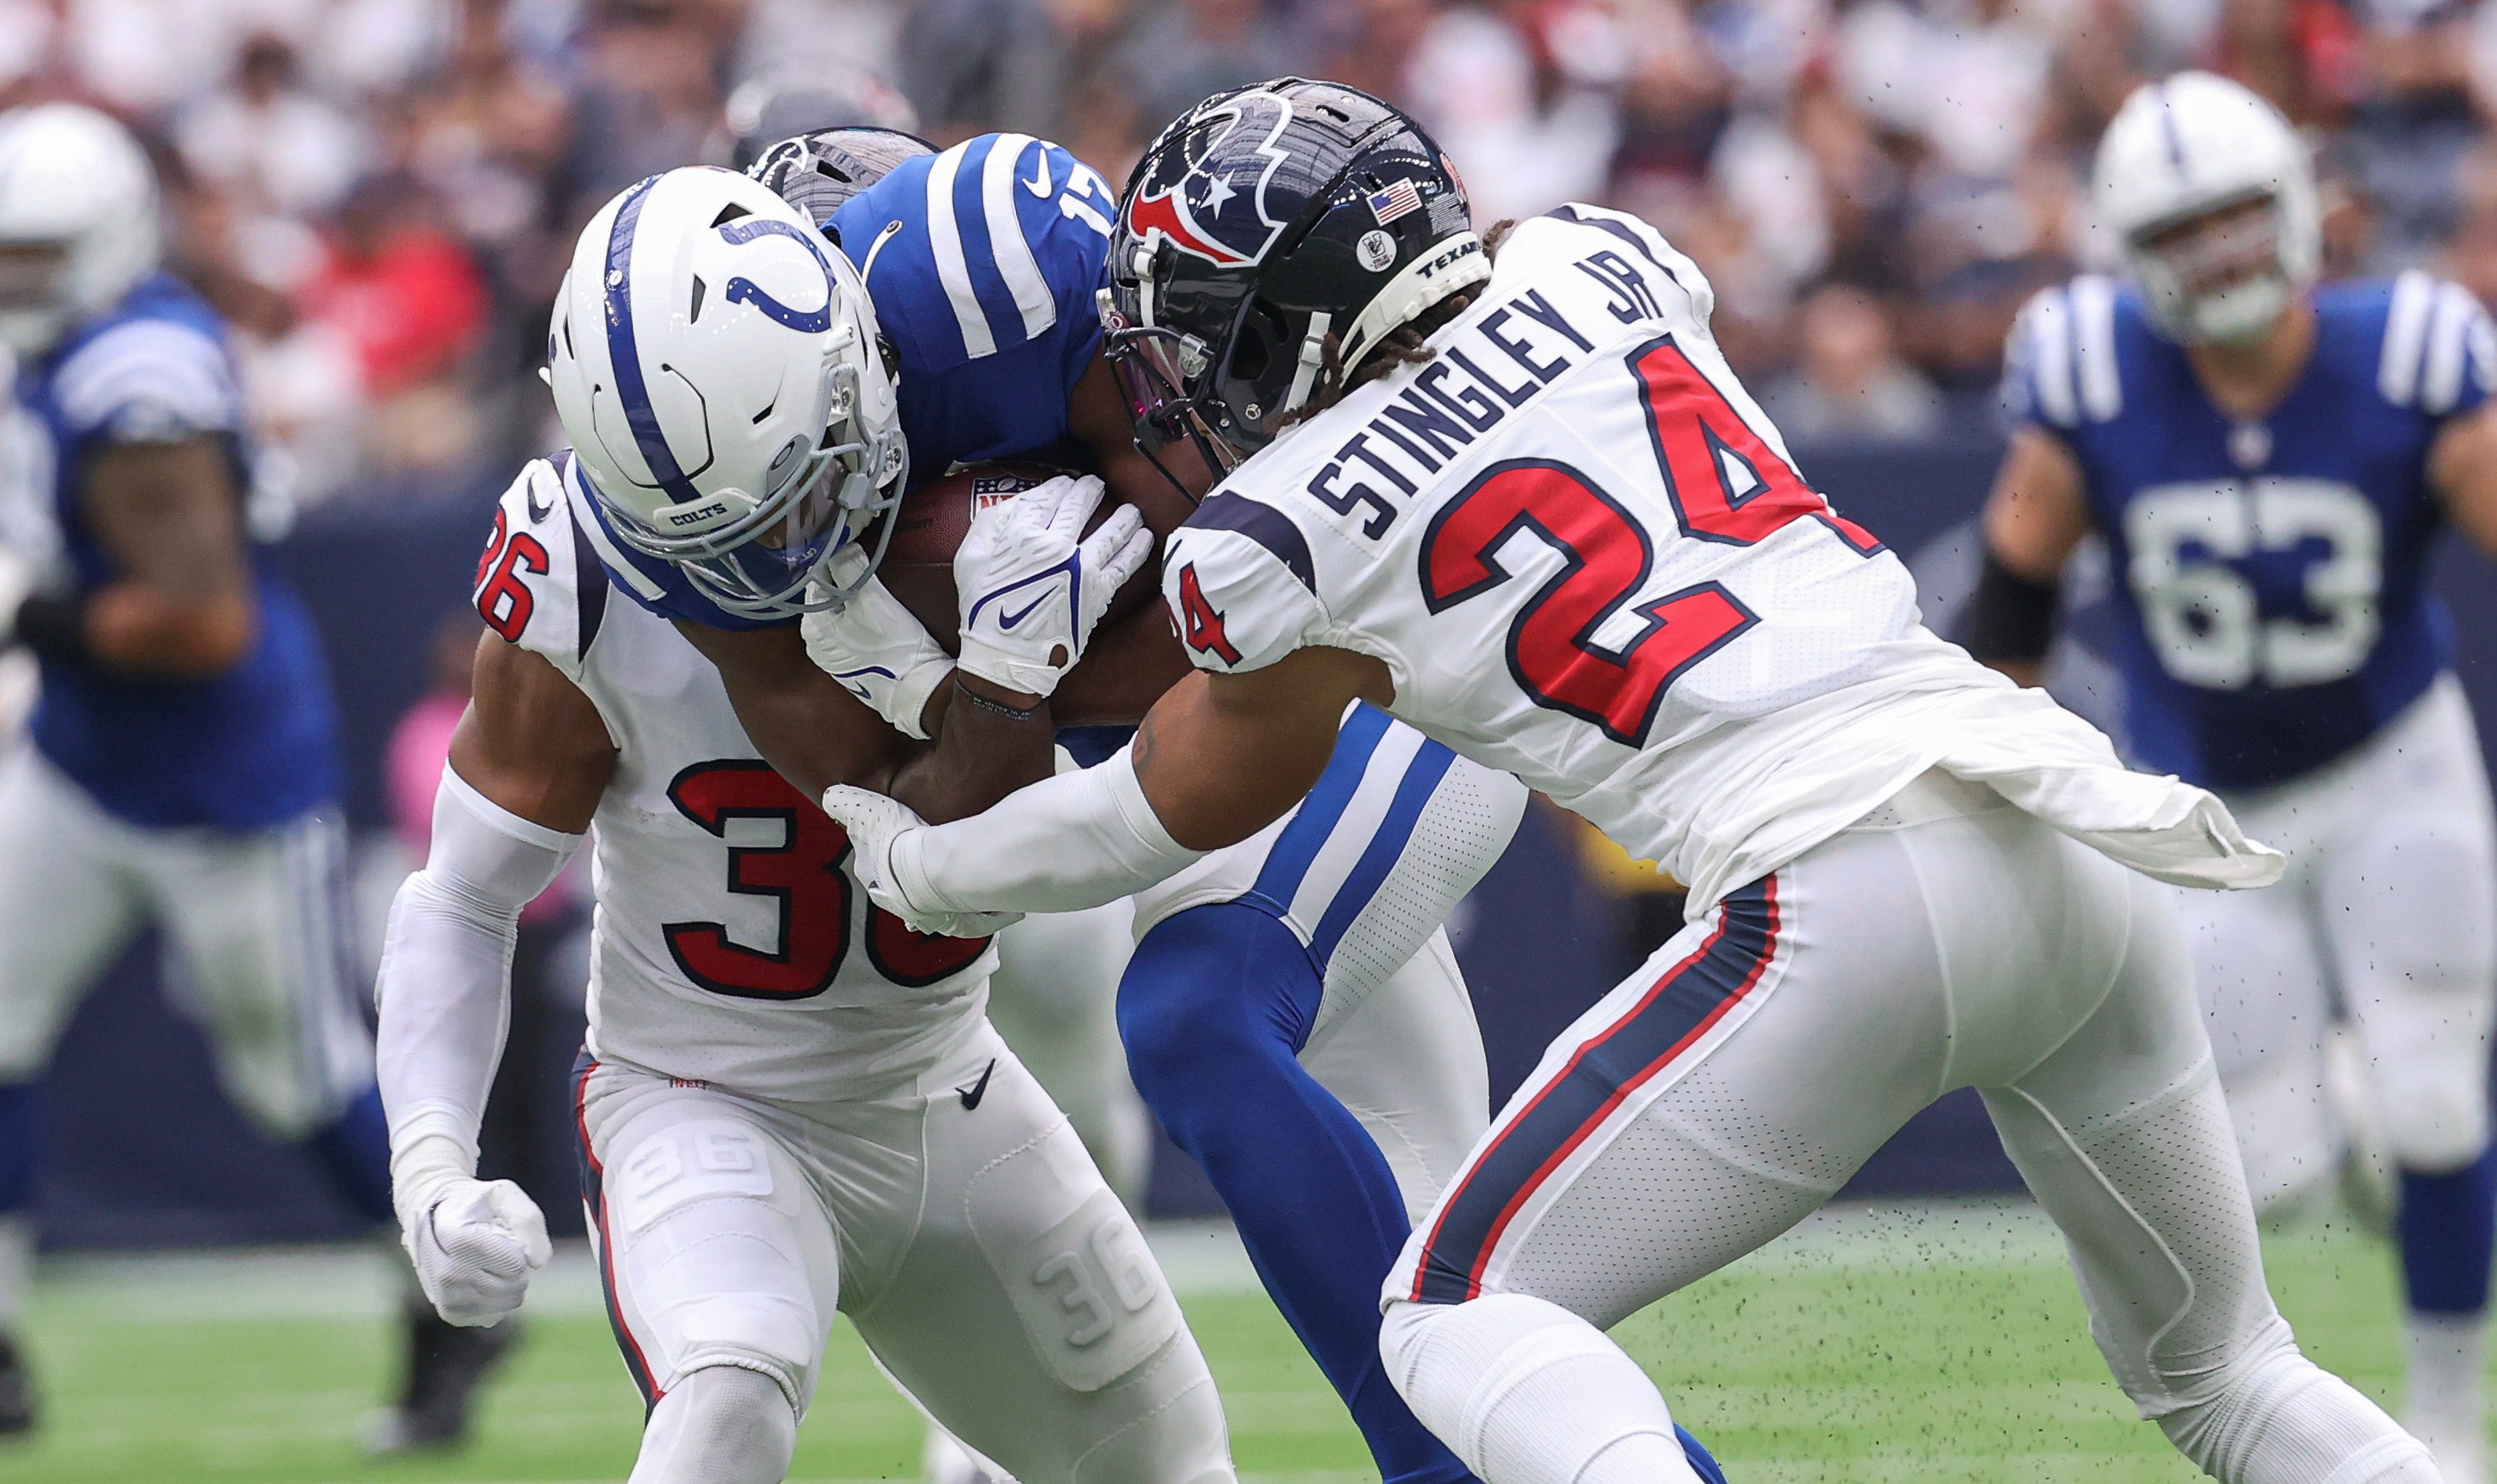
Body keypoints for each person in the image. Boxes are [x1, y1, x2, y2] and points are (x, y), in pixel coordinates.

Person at [821, 77, 2442, 1484]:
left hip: (1838, 889)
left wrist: (920, 865)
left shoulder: (1284, 528)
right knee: (2235, 1379)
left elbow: (1134, 817)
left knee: (1448, 1315)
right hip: (2059, 819)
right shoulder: (1599, 256)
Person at [764, 127, 1731, 1484]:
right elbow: (982, 769)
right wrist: (993, 675)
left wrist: (1027, 667)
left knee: (1197, 1015)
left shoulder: (971, 268)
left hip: (1371, 675)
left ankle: (1432, 1468)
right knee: (1445, 1282)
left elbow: (1242, 574)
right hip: (1255, 742)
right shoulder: (812, 521)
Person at [380, 168, 1236, 1484]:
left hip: (945, 1082)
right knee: (728, 1390)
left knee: (1165, 1461)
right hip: (699, 1096)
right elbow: (463, 896)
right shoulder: (581, 563)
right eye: (710, 535)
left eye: (786, 497)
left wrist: (1024, 674)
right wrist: (430, 1168)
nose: (767, 559)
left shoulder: (995, 442)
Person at [1968, 71, 2497, 1483]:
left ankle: (2448, 1430)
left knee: (2441, 1104)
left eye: (2232, 218)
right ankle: (2350, 1080)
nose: (2214, 255)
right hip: (2197, 805)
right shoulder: (2085, 373)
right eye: (2181, 228)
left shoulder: (2413, 354)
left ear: (2297, 207)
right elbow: (2010, 609)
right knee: (2272, 1177)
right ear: (2129, 251)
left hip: (2394, 763)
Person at [0, 103, 500, 1449]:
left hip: (222, 787)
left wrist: (26, 614)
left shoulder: (142, 382)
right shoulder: (57, 349)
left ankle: (450, 1302)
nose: (20, 281)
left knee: (296, 1080)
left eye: (42, 256)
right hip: (82, 761)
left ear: (101, 246)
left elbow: (200, 624)